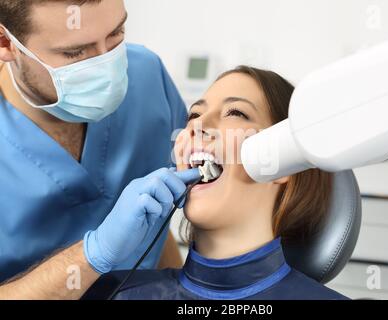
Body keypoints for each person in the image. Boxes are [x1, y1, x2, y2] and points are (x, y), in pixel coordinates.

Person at [0, 0, 189, 299]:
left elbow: (153, 218)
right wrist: (93, 254)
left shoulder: (146, 74)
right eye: (75, 52)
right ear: (6, 43)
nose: (108, 67)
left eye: (116, 34)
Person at [111, 66, 348, 300]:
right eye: (193, 115)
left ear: (279, 161)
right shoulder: (113, 292)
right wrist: (93, 257)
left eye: (235, 113)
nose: (197, 124)